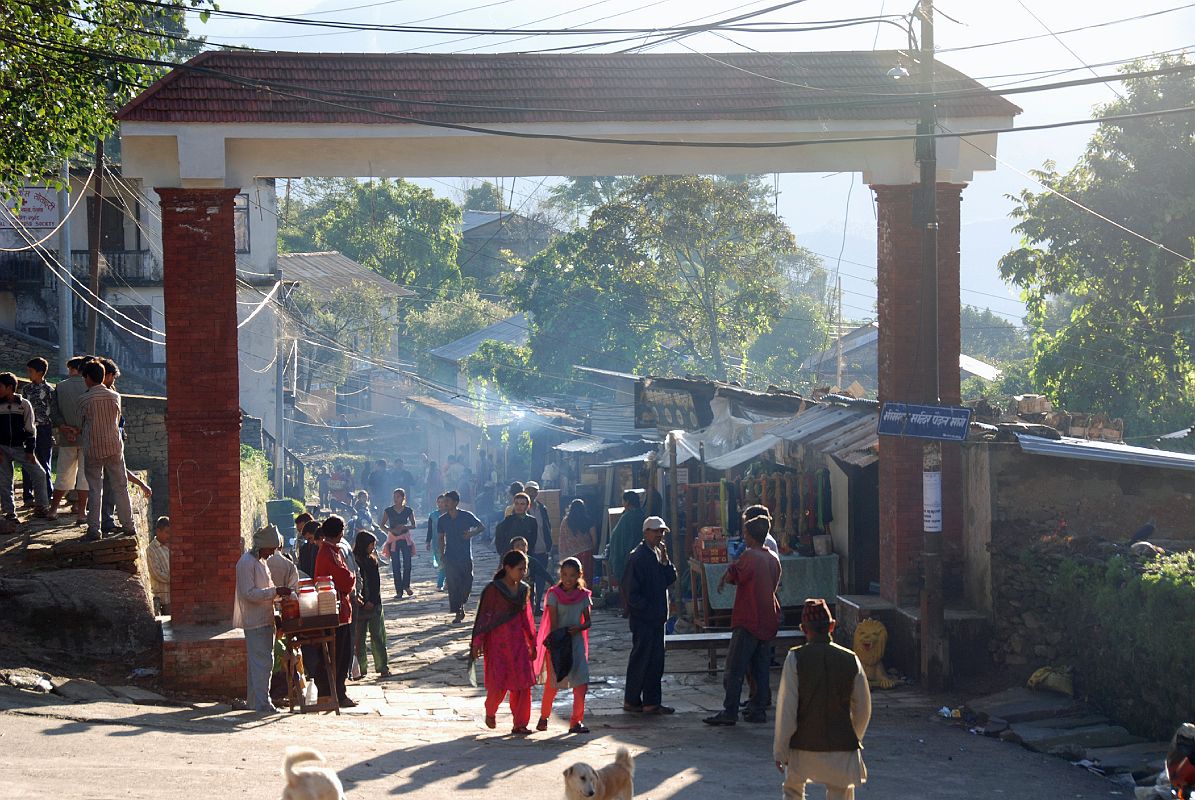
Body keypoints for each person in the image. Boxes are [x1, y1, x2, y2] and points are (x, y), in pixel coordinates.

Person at [773, 599, 872, 800]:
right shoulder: (851, 659)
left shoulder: (795, 659)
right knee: (841, 793)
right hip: (842, 750)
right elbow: (863, 710)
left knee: (792, 792)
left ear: (803, 629)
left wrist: (781, 751)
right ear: (832, 626)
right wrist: (853, 737)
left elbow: (787, 711)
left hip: (802, 748)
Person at [705, 514, 782, 726]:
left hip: (749, 617)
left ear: (751, 536)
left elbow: (733, 576)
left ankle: (730, 710)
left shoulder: (751, 557)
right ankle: (758, 709)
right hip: (768, 618)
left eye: (745, 533)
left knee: (735, 668)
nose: (743, 536)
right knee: (760, 667)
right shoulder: (773, 558)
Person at [469, 549, 537, 735]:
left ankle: (520, 724)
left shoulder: (523, 590)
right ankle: (490, 711)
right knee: (499, 684)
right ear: (508, 568)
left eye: (525, 569)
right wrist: (477, 643)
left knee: (523, 685)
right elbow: (484, 618)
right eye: (520, 569)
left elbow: (527, 618)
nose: (523, 573)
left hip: (518, 644)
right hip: (497, 643)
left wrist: (532, 641)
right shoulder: (493, 590)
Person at [621, 515, 677, 715]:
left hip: (656, 617)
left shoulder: (657, 553)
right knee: (642, 659)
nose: (659, 535)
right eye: (656, 531)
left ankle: (648, 701)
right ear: (646, 533)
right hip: (645, 618)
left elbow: (671, 578)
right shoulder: (638, 556)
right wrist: (646, 609)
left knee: (654, 661)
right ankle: (636, 700)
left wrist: (665, 562)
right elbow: (630, 592)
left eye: (661, 532)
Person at [233, 524, 291, 713]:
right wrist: (275, 591)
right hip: (254, 621)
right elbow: (248, 593)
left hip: (266, 618)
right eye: (271, 549)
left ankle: (254, 702)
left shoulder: (261, 562)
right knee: (263, 664)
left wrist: (280, 596)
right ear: (262, 546)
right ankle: (262, 704)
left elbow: (268, 589)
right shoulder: (246, 563)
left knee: (259, 664)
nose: (272, 553)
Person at [535, 557, 593, 734]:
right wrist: (560, 640)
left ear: (579, 576)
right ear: (560, 574)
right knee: (553, 684)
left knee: (581, 683)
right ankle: (544, 717)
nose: (567, 579)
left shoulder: (584, 596)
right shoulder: (553, 595)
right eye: (565, 574)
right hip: (559, 644)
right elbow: (553, 625)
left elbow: (588, 622)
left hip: (576, 644)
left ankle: (576, 722)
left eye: (572, 575)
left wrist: (578, 628)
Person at [77, 361, 133, 539]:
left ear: (87, 377)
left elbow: (82, 422)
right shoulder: (115, 396)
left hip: (93, 447)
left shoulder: (83, 399)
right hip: (114, 446)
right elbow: (117, 421)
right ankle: (128, 525)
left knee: (95, 488)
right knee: (121, 487)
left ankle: (94, 529)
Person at [314, 515, 357, 707]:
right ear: (340, 533)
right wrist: (353, 577)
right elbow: (345, 580)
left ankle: (337, 691)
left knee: (341, 653)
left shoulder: (331, 551)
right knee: (340, 654)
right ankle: (337, 692)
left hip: (340, 608)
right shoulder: (329, 553)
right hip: (335, 610)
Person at [0, 372, 53, 522]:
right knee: (5, 480)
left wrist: (30, 450)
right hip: (2, 448)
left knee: (39, 474)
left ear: (9, 388)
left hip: (20, 447)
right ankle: (9, 512)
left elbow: (30, 428)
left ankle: (42, 506)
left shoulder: (24, 404)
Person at [50, 356, 90, 522]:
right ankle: (81, 513)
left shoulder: (60, 387)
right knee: (84, 478)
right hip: (86, 438)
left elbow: (54, 413)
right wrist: (79, 429)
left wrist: (64, 427)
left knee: (63, 475)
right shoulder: (90, 386)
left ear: (72, 369)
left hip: (67, 438)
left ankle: (53, 510)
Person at [437, 490, 486, 623]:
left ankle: (462, 601)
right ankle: (458, 610)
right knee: (453, 584)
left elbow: (481, 527)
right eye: (444, 501)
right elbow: (441, 538)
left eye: (448, 501)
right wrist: (441, 554)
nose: (445, 503)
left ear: (456, 502)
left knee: (467, 581)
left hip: (465, 555)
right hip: (450, 556)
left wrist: (471, 534)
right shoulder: (442, 520)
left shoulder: (467, 516)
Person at [352, 530, 390, 678]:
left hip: (374, 604)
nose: (373, 548)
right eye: (371, 545)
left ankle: (382, 666)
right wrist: (362, 601)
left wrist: (372, 601)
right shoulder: (354, 561)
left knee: (378, 637)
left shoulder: (373, 560)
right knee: (359, 640)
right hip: (359, 605)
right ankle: (361, 669)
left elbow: (376, 584)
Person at [20, 357, 54, 507]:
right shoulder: (26, 390)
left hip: (44, 428)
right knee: (27, 461)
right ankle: (28, 495)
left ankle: (48, 493)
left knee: (45, 461)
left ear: (40, 372)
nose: (28, 374)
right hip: (28, 429)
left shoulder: (49, 390)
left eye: (31, 371)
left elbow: (54, 411)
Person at [606, 491, 646, 599]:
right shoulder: (643, 515)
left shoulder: (627, 518)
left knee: (627, 585)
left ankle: (627, 608)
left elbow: (616, 538)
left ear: (627, 502)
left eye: (623, 500)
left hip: (627, 558)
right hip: (643, 556)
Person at [380, 488, 417, 599]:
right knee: (396, 565)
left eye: (398, 497)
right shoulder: (388, 510)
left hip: (405, 539)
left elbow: (414, 525)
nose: (396, 499)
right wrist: (390, 531)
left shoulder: (408, 510)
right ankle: (399, 590)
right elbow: (382, 525)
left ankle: (406, 585)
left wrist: (405, 527)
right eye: (395, 497)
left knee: (408, 563)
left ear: (403, 498)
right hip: (393, 540)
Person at [524, 481, 554, 607]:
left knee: (541, 578)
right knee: (530, 578)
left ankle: (537, 605)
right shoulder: (522, 508)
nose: (532, 493)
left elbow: (547, 527)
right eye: (530, 490)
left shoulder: (542, 508)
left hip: (542, 548)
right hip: (529, 550)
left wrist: (549, 544)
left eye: (535, 491)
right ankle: (530, 604)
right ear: (525, 491)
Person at [557, 499, 597, 584]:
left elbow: (562, 538)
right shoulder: (588, 520)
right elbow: (594, 537)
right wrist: (594, 549)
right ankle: (586, 594)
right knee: (586, 576)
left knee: (573, 576)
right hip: (587, 552)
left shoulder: (565, 522)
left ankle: (574, 594)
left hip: (571, 554)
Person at [494, 491, 538, 555]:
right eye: (516, 503)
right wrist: (502, 552)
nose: (519, 506)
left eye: (522, 504)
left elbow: (533, 541)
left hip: (526, 555)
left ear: (528, 506)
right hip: (510, 555)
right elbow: (499, 535)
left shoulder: (532, 521)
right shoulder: (508, 520)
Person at [146, 516, 172, 615]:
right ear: (158, 531)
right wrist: (175, 579)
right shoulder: (151, 550)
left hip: (176, 595)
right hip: (165, 599)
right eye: (167, 532)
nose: (169, 535)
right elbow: (156, 573)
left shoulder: (170, 546)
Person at [425, 494, 447, 592]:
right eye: (439, 502)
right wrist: (428, 541)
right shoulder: (433, 515)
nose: (441, 504)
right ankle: (442, 584)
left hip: (450, 542)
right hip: (437, 543)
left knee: (448, 564)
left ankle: (441, 583)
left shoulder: (450, 513)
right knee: (442, 564)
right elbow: (430, 530)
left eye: (443, 502)